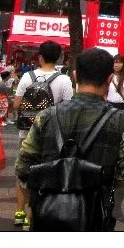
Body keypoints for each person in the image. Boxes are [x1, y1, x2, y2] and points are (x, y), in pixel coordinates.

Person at [14, 47, 124, 232]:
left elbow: (23, 168)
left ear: (75, 75)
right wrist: (103, 182)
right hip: (95, 216)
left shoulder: (46, 116)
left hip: (47, 215)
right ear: (109, 79)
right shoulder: (121, 121)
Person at [11, 40, 75, 229]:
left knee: (23, 171)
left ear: (40, 56)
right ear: (59, 58)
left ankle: (19, 211)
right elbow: (68, 110)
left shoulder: (27, 77)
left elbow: (16, 105)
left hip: (26, 132)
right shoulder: (64, 80)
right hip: (50, 135)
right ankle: (31, 216)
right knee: (43, 173)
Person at [105, 54, 124, 122]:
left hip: (122, 107)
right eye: (115, 62)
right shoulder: (107, 77)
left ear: (123, 64)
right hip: (109, 106)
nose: (117, 65)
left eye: (119, 62)